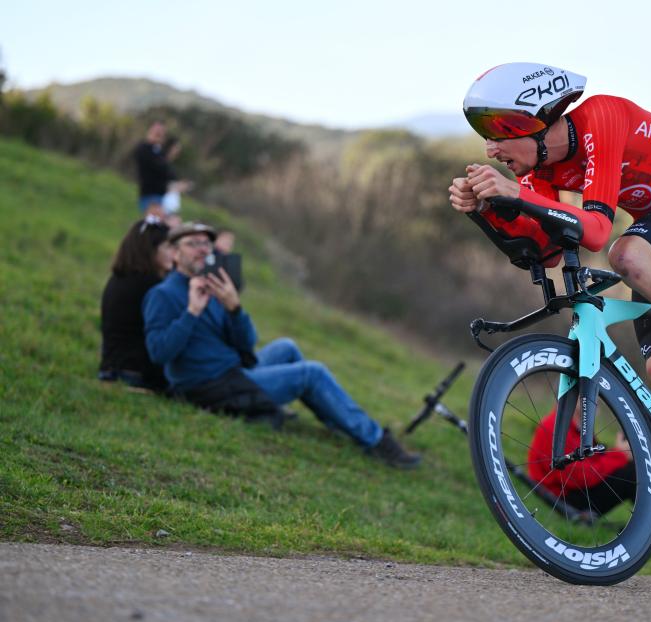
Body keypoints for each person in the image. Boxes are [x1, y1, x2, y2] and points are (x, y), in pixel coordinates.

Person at [448, 62, 651, 576]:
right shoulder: (539, 172)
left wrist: (515, 193)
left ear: (538, 118)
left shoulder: (600, 118)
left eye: (499, 130)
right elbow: (549, 252)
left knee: (625, 255)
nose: (490, 148)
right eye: (483, 133)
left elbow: (595, 232)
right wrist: (488, 211)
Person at [142, 222, 420, 469]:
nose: (202, 249)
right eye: (193, 244)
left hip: (233, 372)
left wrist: (234, 308)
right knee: (312, 372)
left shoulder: (211, 287)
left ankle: (340, 422)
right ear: (175, 253)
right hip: (207, 386)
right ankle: (376, 441)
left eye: (206, 243)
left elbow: (247, 345)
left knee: (286, 347)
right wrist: (191, 313)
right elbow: (159, 353)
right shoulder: (162, 295)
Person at [99, 216, 175, 391]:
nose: (174, 253)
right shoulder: (151, 285)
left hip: (111, 369)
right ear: (150, 249)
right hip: (135, 374)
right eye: (168, 247)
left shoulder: (120, 278)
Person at [527, 408, 636, 515]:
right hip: (563, 498)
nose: (596, 400)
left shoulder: (576, 426)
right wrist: (620, 454)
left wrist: (618, 453)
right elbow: (577, 477)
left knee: (634, 468)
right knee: (633, 473)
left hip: (574, 488)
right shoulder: (554, 426)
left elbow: (592, 459)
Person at [134, 121, 190, 217]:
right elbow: (157, 170)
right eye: (157, 132)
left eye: (161, 133)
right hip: (151, 195)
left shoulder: (158, 151)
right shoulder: (144, 149)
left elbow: (166, 171)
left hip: (161, 195)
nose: (159, 135)